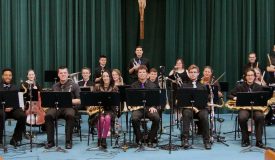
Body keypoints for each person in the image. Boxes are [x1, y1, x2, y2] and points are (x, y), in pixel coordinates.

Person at [44, 66, 80, 149]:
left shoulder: (74, 86)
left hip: (69, 107)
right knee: (48, 115)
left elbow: (79, 100)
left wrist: (68, 100)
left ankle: (68, 141)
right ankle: (50, 141)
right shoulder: (54, 86)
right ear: (58, 75)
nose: (63, 74)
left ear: (68, 74)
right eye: (61, 73)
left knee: (70, 115)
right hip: (57, 107)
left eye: (64, 73)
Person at [228, 68, 265, 148]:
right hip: (244, 108)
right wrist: (235, 98)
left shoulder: (259, 87)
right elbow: (229, 95)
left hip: (256, 109)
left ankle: (259, 141)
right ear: (245, 77)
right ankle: (245, 139)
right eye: (248, 75)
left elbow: (263, 99)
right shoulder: (240, 86)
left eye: (252, 75)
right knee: (242, 117)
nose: (250, 77)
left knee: (260, 116)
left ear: (255, 77)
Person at [180, 64, 211, 150]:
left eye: (195, 72)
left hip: (200, 109)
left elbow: (205, 100)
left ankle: (206, 141)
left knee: (204, 115)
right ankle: (185, 139)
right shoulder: (184, 85)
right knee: (186, 113)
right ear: (188, 74)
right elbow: (181, 101)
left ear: (198, 73)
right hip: (189, 108)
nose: (193, 74)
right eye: (191, 72)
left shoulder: (203, 86)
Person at [131, 65, 159, 147]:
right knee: (134, 118)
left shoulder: (153, 86)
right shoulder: (133, 86)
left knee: (157, 118)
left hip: (149, 108)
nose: (142, 74)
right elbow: (131, 100)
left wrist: (154, 106)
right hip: (138, 108)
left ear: (147, 74)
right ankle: (139, 138)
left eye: (144, 72)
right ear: (137, 74)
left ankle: (151, 139)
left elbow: (156, 99)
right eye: (140, 72)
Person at [0, 68, 26, 147]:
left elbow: (21, 102)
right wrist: (3, 107)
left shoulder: (16, 87)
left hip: (14, 109)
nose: (8, 77)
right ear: (2, 76)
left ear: (12, 77)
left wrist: (13, 107)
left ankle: (15, 139)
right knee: (0, 115)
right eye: (6, 75)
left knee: (23, 116)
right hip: (2, 109)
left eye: (10, 75)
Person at [93, 71, 118, 149]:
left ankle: (103, 139)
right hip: (99, 109)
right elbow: (93, 100)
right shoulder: (97, 87)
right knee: (101, 118)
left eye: (107, 76)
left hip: (111, 110)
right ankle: (99, 138)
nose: (105, 78)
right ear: (102, 78)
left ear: (110, 77)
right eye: (104, 76)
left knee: (107, 118)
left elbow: (116, 102)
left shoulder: (114, 88)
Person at [20, 69, 45, 138]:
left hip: (36, 105)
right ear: (27, 76)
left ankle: (44, 127)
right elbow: (21, 96)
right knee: (22, 114)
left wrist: (37, 90)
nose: (31, 76)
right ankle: (24, 131)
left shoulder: (36, 83)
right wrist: (23, 105)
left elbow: (41, 95)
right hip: (27, 104)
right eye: (30, 75)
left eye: (32, 74)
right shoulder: (23, 84)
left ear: (34, 75)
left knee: (45, 112)